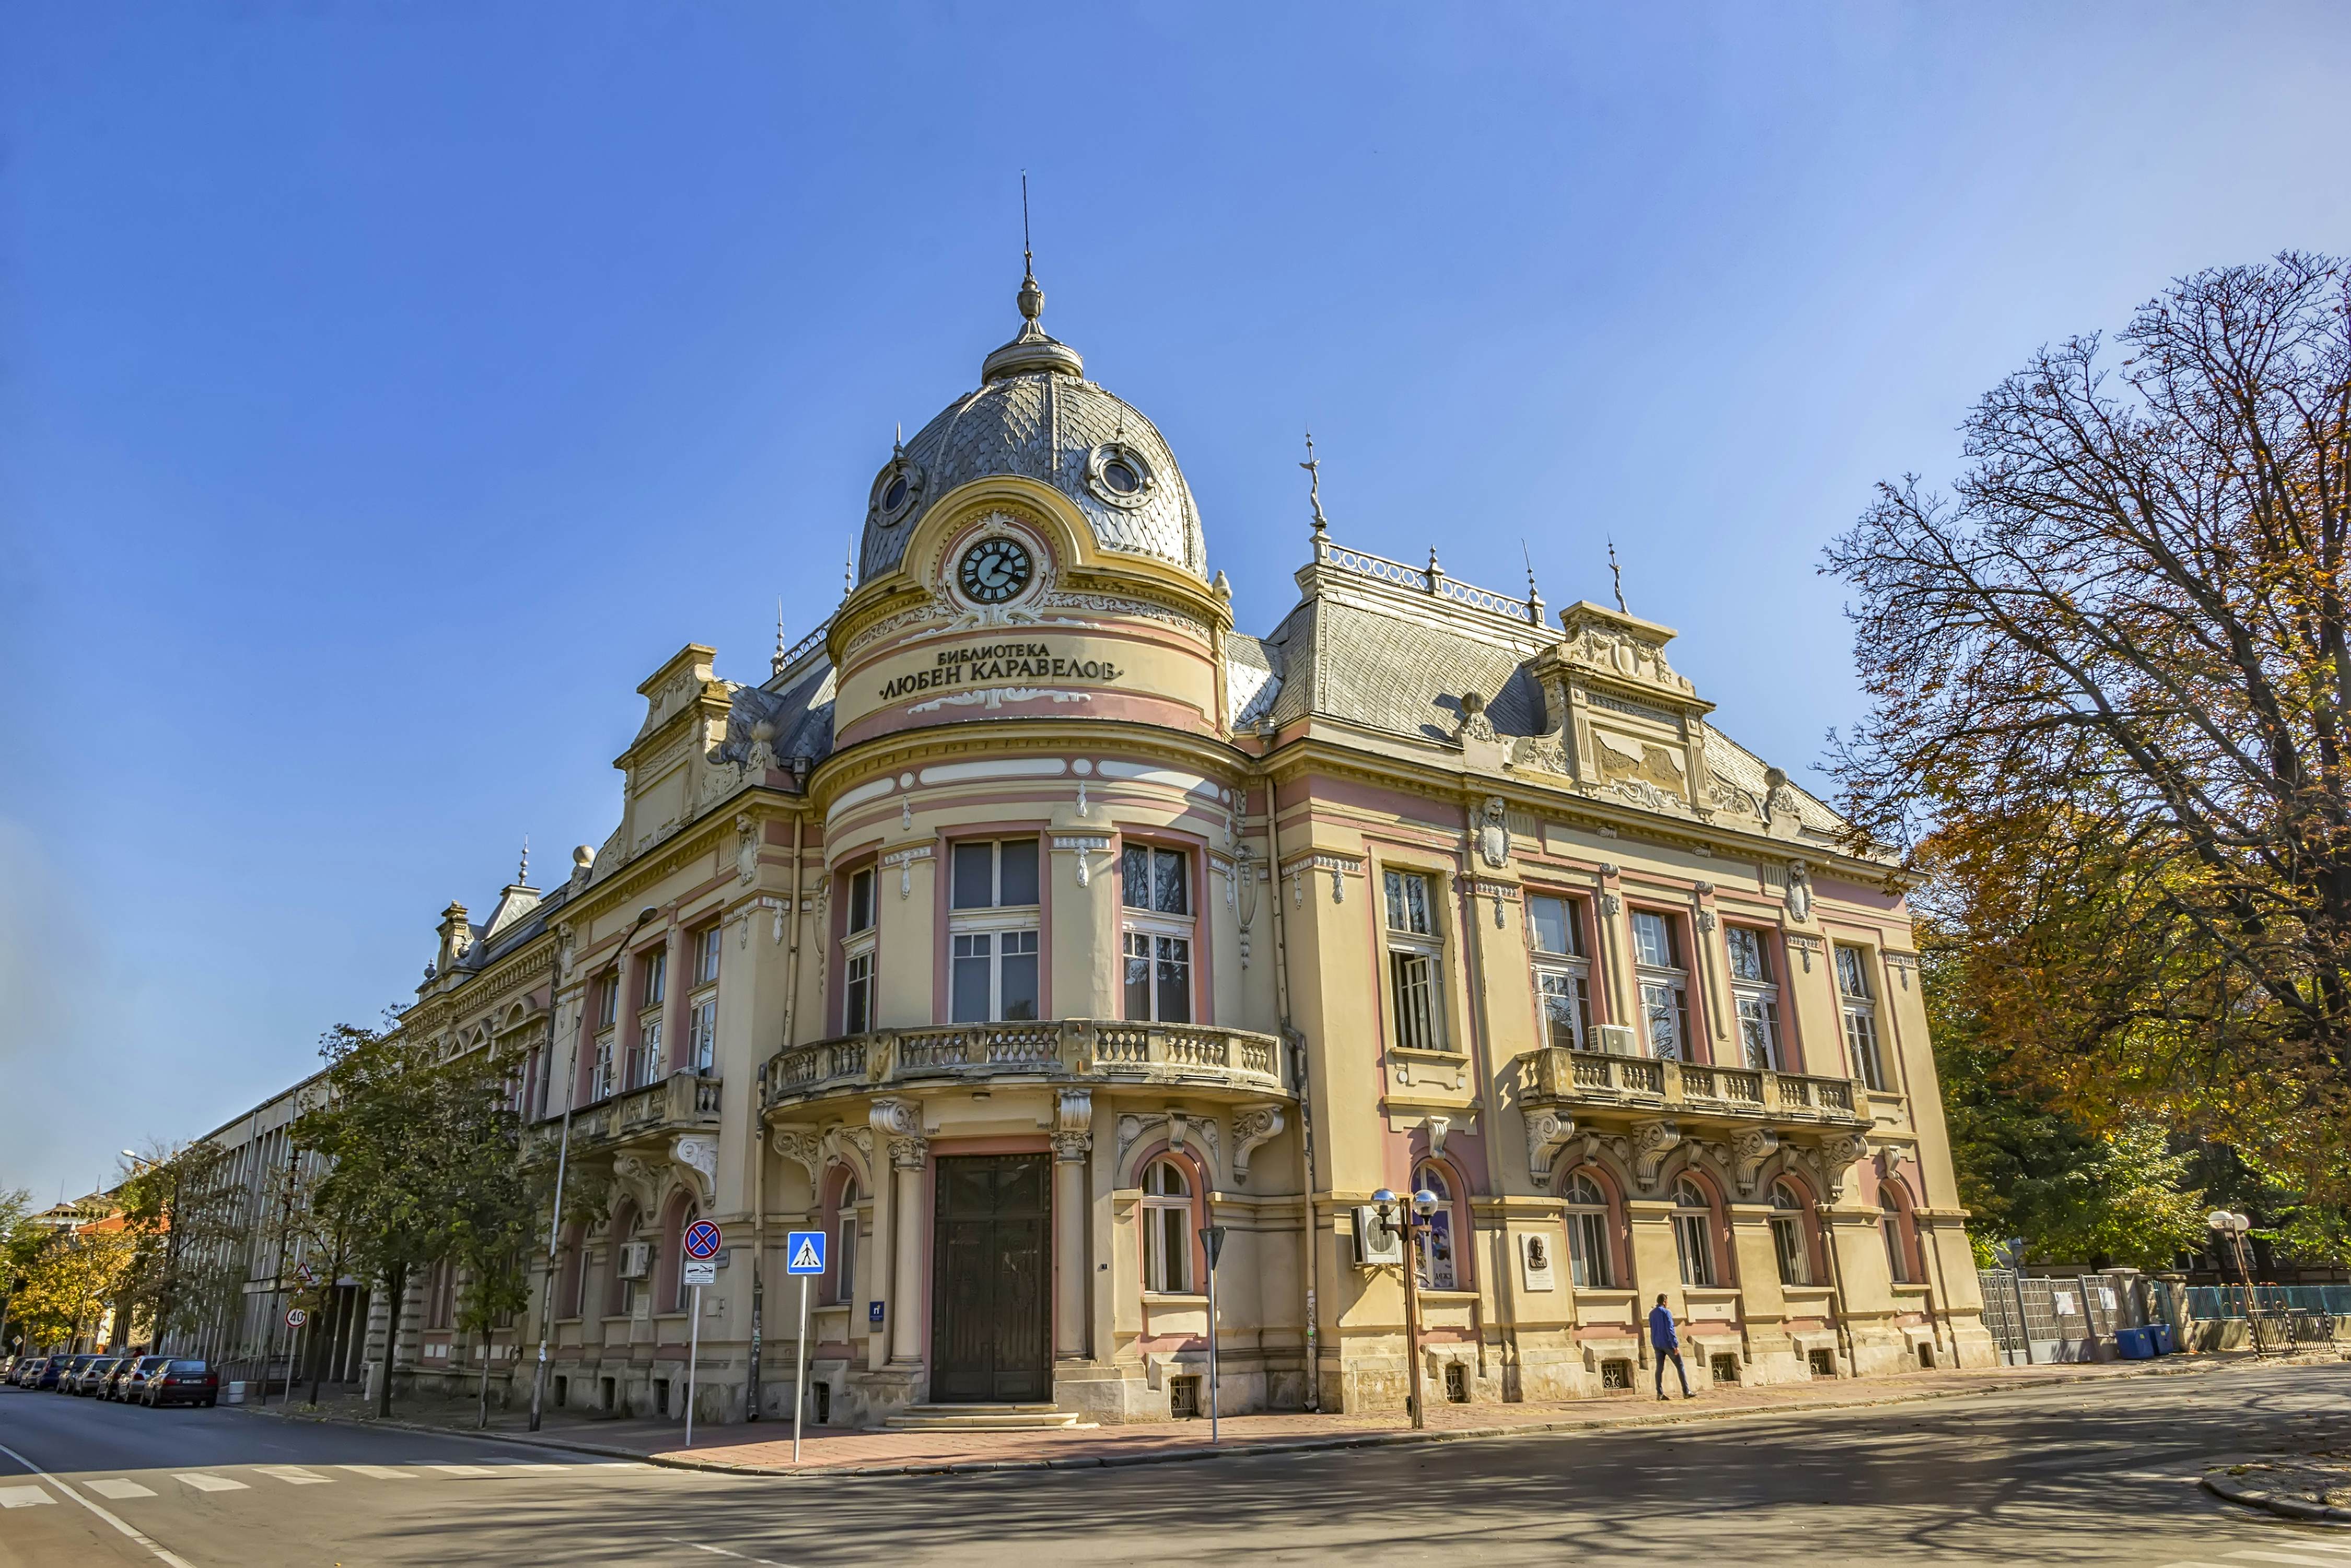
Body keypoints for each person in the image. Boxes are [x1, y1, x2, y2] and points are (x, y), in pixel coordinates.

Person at [1650, 1293, 1692, 1400]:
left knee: (1659, 1368)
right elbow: (1670, 1329)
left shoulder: (1652, 1313)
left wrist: (1654, 1343)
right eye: (1667, 1301)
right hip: (1668, 1344)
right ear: (1664, 1301)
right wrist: (1675, 1345)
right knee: (1680, 1366)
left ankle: (1659, 1393)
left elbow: (1652, 1328)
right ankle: (1686, 1391)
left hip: (1657, 1344)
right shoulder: (1666, 1313)